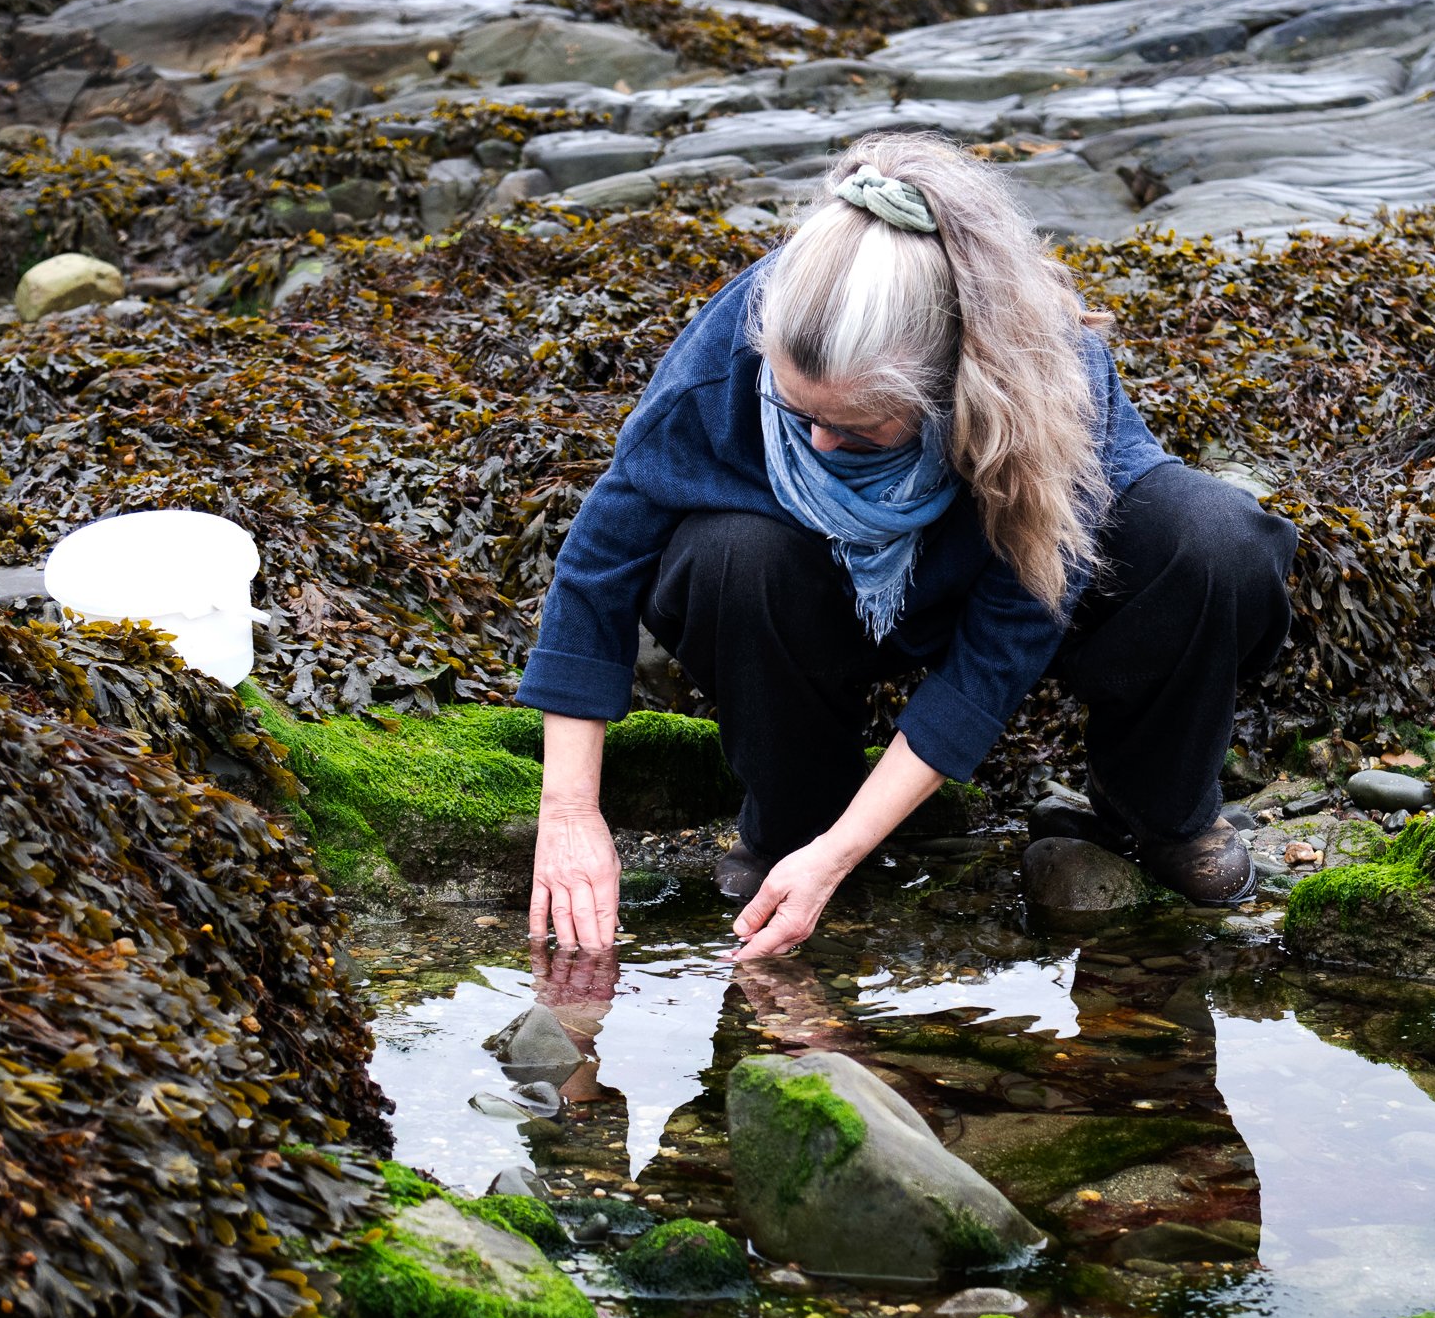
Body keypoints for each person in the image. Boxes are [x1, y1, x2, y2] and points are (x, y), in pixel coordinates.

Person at [518, 131, 1299, 960]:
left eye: (852, 426)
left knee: (1216, 540)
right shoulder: (730, 354)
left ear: (947, 387)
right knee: (729, 555)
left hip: (1008, 563)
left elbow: (1002, 645)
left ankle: (1157, 806)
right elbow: (598, 568)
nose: (817, 443)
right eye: (796, 414)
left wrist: (848, 852)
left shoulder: (1043, 374)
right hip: (811, 581)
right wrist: (570, 812)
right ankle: (795, 820)